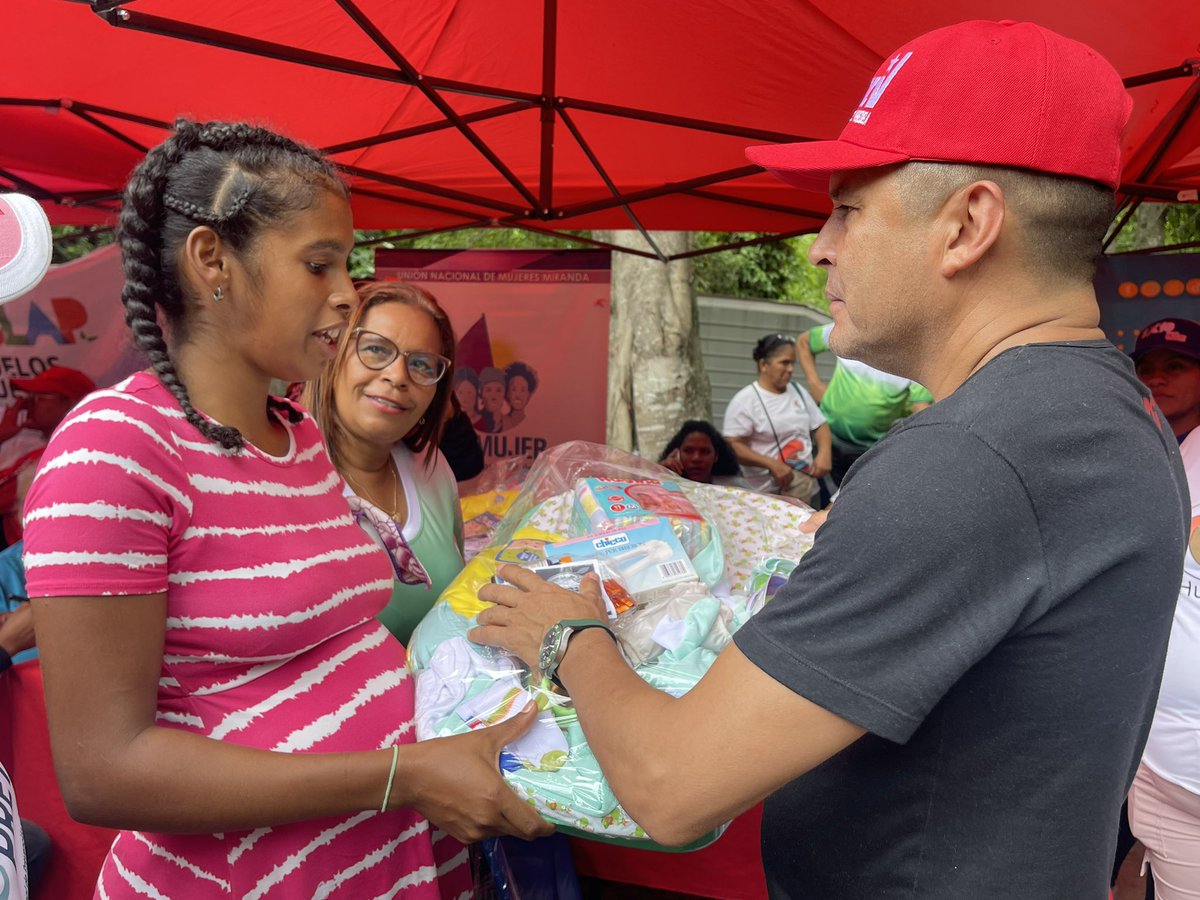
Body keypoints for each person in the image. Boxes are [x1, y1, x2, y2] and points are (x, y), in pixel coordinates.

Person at [466, 20, 1188, 899]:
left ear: (968, 224)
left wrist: (567, 635)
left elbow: (672, 788)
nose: (819, 246)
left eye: (848, 208)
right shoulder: (1112, 407)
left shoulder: (969, 458)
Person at [21, 118, 548, 900]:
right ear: (212, 262)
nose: (346, 294)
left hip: (381, 864)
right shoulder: (114, 450)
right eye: (319, 263)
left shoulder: (296, 436)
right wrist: (401, 777)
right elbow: (104, 772)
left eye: (347, 264)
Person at [304, 281, 465, 646]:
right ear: (334, 353)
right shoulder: (281, 480)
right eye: (376, 349)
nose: (397, 376)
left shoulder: (433, 469)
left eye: (422, 364)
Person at [1127, 317, 1200, 900]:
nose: (1157, 379)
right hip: (1146, 746)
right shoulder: (1143, 446)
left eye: (1175, 367)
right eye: (1147, 367)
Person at [795, 322, 932, 484]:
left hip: (867, 453)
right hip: (825, 438)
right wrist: (814, 384)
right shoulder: (849, 327)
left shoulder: (913, 358)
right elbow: (804, 342)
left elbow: (922, 410)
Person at [722, 333, 831, 506]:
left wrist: (825, 454)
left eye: (792, 363)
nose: (790, 369)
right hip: (764, 496)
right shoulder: (745, 401)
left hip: (806, 489)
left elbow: (820, 425)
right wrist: (771, 464)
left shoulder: (798, 390)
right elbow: (733, 445)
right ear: (764, 365)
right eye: (784, 363)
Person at [0, 366, 95, 546]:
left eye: (38, 398)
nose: (27, 404)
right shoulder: (56, 449)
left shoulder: (61, 455)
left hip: (32, 560)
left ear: (71, 403)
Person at [658, 420, 748, 488]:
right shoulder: (663, 482)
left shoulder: (735, 488)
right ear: (676, 453)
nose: (696, 458)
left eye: (704, 452)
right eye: (688, 451)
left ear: (716, 456)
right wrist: (659, 472)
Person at [501, 361, 537, 431]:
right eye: (514, 389)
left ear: (528, 395)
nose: (518, 395)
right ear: (507, 393)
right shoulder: (499, 424)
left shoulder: (534, 425)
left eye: (523, 390)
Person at [476, 366, 506, 433]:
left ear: (504, 394)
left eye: (498, 390)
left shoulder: (509, 423)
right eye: (488, 390)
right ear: (481, 394)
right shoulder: (474, 422)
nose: (493, 396)